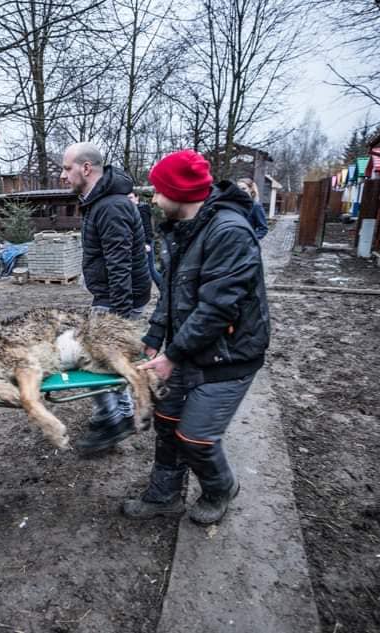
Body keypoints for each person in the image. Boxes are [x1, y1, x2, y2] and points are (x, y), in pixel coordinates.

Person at [126, 149, 269, 525]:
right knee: (167, 423)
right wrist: (155, 337)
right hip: (190, 347)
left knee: (196, 437)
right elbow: (173, 294)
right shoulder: (185, 230)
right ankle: (163, 496)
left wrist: (171, 355)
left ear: (180, 192)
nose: (154, 200)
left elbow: (217, 310)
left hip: (229, 355)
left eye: (158, 191)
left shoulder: (228, 233)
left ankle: (220, 488)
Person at [59, 142, 151, 454]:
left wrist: (120, 320)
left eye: (67, 168)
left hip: (118, 299)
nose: (63, 175)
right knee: (103, 359)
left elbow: (120, 264)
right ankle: (117, 413)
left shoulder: (110, 207)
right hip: (111, 296)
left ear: (86, 168)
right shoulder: (99, 202)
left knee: (91, 360)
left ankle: (115, 418)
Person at [128, 191, 163, 288]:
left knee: (151, 270)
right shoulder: (130, 210)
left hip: (145, 244)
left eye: (130, 198)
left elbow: (147, 228)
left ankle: (164, 289)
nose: (129, 200)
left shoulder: (142, 209)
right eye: (127, 198)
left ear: (137, 198)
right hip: (135, 244)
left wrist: (147, 243)